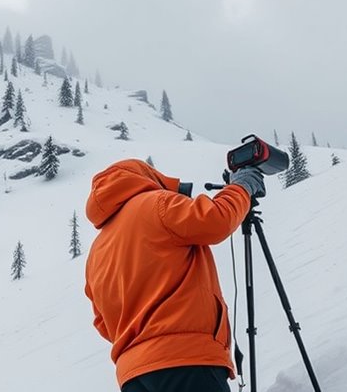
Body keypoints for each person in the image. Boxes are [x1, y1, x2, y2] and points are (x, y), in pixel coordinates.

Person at [84, 158, 266, 391]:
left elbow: (102, 323)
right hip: (185, 359)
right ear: (146, 177)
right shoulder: (156, 204)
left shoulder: (97, 250)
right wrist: (242, 187)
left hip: (133, 375)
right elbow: (216, 220)